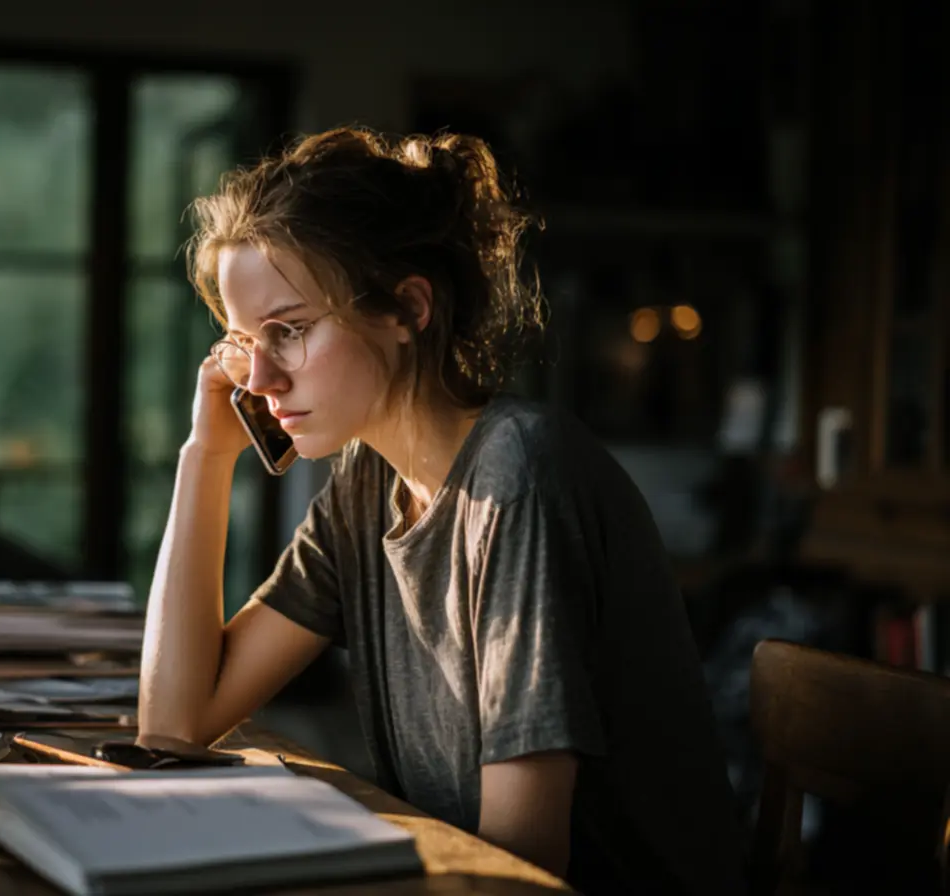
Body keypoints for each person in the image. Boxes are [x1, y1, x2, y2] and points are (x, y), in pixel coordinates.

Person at [136, 126, 747, 895]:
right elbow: (175, 726)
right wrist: (206, 453)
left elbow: (522, 866)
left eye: (289, 331)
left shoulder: (519, 476)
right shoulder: (365, 487)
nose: (258, 379)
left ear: (408, 307)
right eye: (243, 340)